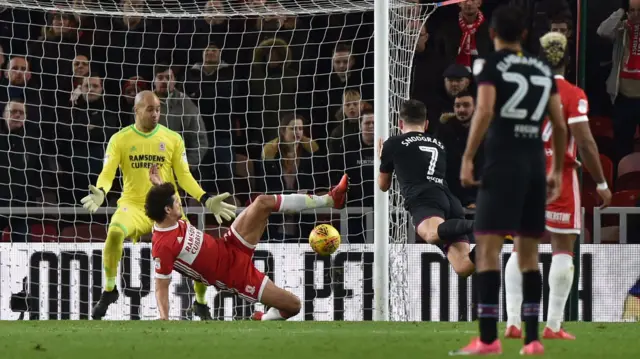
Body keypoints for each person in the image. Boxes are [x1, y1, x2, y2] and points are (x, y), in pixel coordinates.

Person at [453, 6, 568, 356]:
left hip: (501, 165)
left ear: (493, 34)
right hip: (534, 164)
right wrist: (558, 170)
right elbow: (560, 125)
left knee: (487, 250)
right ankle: (533, 340)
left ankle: (488, 339)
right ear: (524, 35)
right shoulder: (543, 68)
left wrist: (469, 156)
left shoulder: (490, 65)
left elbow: (485, 110)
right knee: (529, 254)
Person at [80, 91, 237, 320]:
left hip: (167, 208)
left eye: (158, 109)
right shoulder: (120, 139)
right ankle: (110, 289)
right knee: (114, 233)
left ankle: (201, 303)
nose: (155, 114)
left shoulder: (173, 138)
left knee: (200, 252)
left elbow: (184, 176)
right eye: (150, 109)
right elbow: (107, 173)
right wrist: (102, 191)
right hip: (134, 206)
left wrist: (205, 198)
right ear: (136, 110)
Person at [503, 31, 612, 341]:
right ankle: (552, 326)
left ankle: (512, 321)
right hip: (559, 177)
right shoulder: (573, 94)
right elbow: (587, 142)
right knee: (563, 249)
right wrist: (601, 182)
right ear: (568, 59)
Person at [145, 165, 349, 320]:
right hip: (235, 275)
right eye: (175, 201)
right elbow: (161, 285)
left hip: (231, 244)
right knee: (294, 306)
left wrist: (159, 183)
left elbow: (165, 201)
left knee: (262, 202)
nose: (179, 202)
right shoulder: (163, 246)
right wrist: (164, 319)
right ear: (167, 211)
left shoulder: (170, 218)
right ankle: (265, 319)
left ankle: (331, 199)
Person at [378, 99, 477, 278]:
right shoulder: (437, 143)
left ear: (400, 123)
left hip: (424, 198)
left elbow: (383, 186)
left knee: (431, 235)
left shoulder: (393, 143)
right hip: (449, 198)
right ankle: (489, 241)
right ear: (426, 124)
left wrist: (382, 160)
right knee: (463, 267)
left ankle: (482, 225)